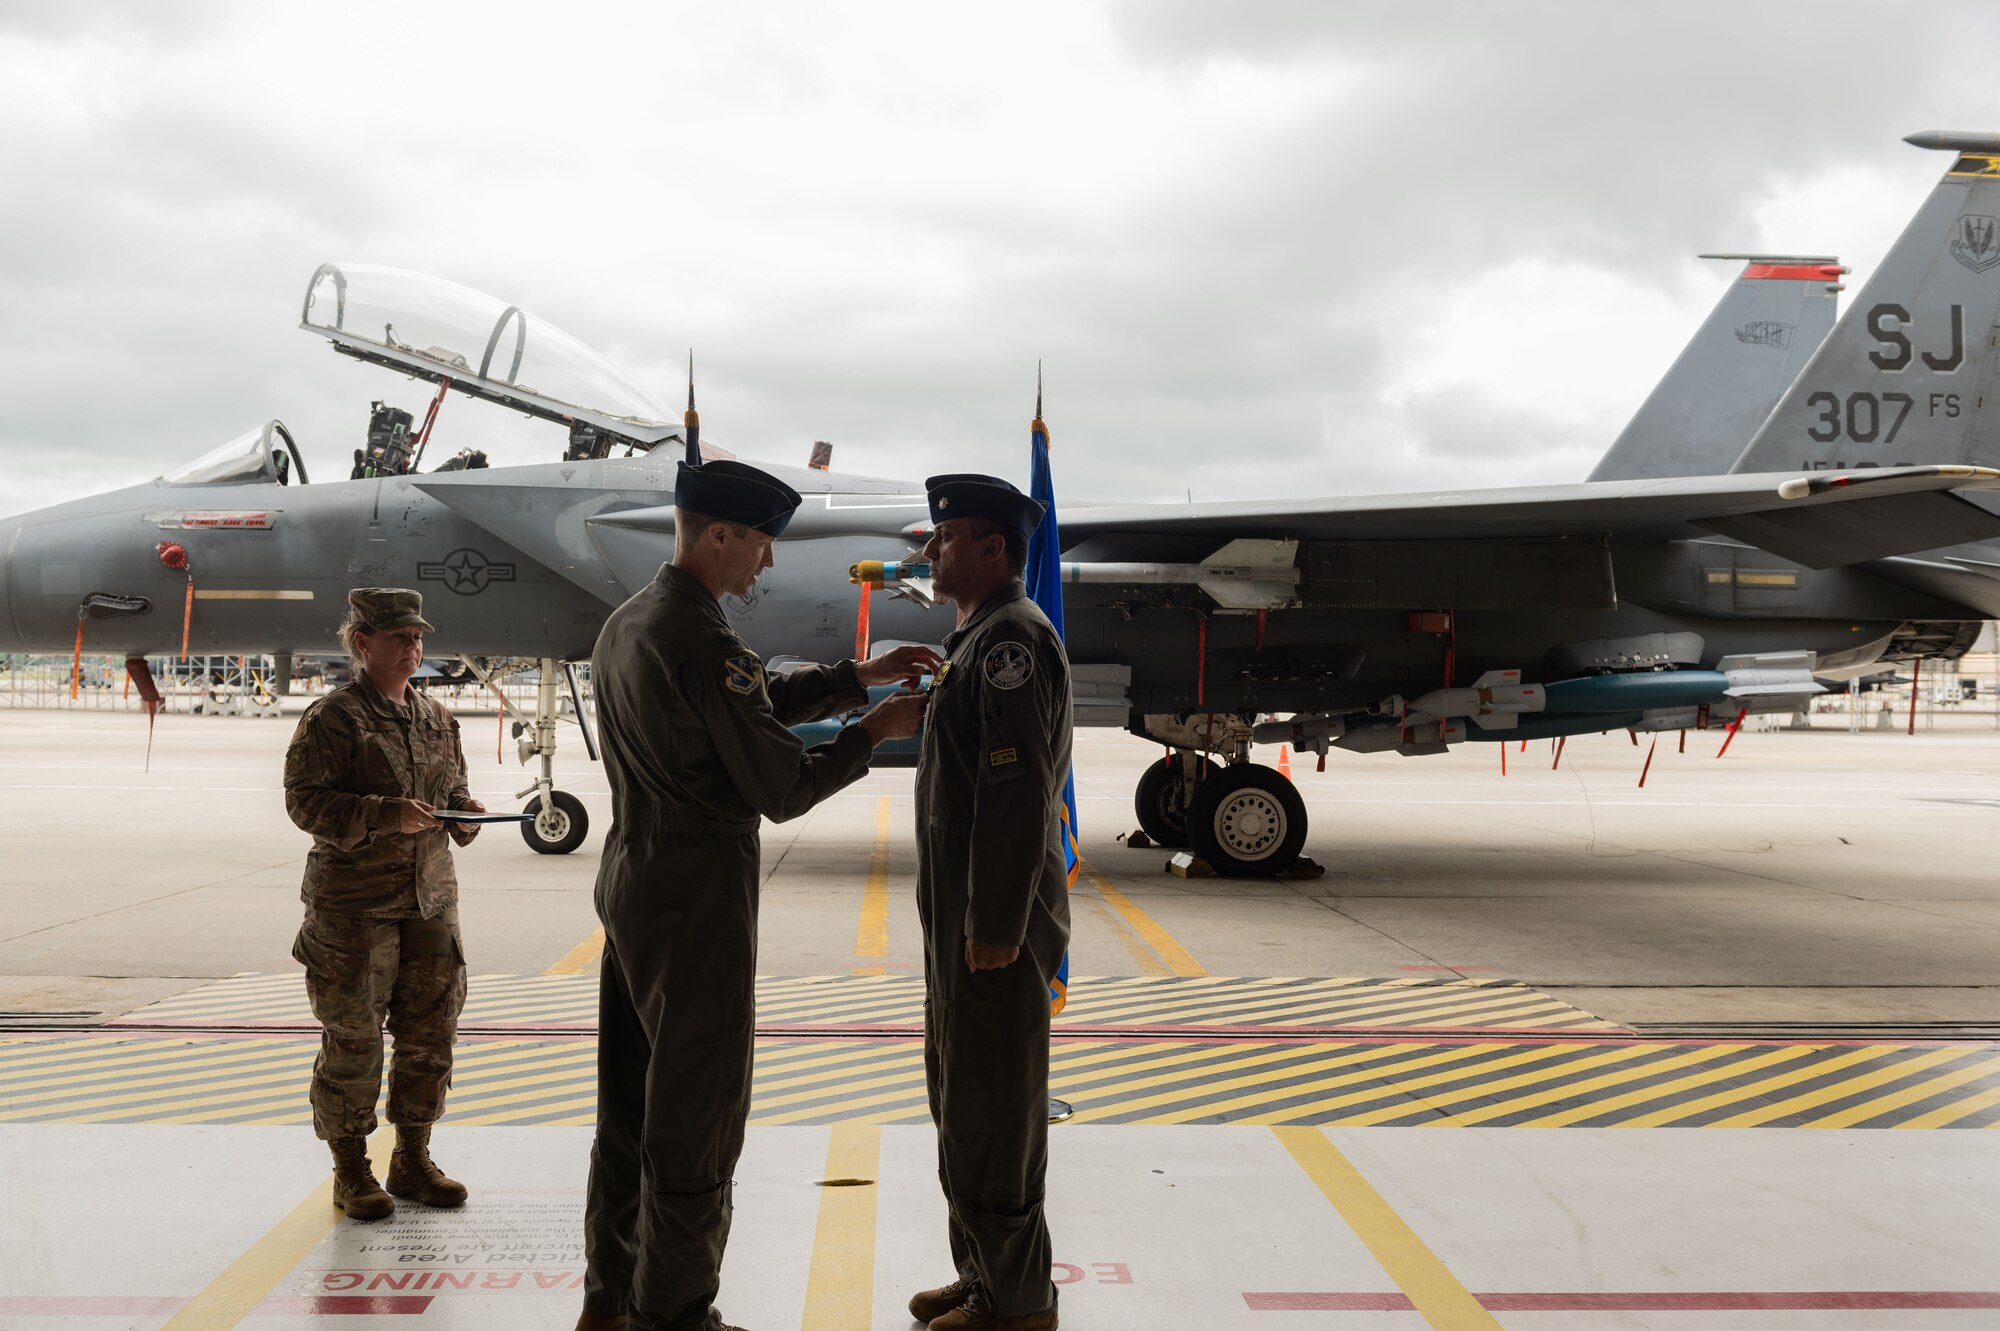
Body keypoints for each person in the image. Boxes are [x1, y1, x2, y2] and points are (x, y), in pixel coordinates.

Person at [578, 457, 935, 1331]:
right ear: (719, 534)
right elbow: (780, 784)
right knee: (696, 1112)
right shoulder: (704, 638)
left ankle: (610, 1301)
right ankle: (677, 1312)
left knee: (629, 1107)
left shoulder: (630, 624)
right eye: (761, 544)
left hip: (633, 877)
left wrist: (853, 675)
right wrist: (873, 731)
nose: (766, 564)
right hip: (698, 891)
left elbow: (741, 706)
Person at [905, 474, 1073, 1331]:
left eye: (944, 538)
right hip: (964, 921)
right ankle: (982, 1276)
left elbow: (1014, 799)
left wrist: (997, 928)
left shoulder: (1011, 644)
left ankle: (1017, 1303)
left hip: (993, 927)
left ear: (994, 549)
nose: (930, 552)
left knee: (996, 1110)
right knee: (962, 1099)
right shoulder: (975, 638)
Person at [282, 587, 486, 1220]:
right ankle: (350, 1169)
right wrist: (382, 815)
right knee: (355, 1039)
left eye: (417, 637)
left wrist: (465, 816)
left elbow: (452, 790)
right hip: (355, 908)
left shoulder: (436, 719)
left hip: (429, 902)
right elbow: (304, 803)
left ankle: (413, 1159)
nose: (412, 648)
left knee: (431, 1036)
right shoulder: (332, 719)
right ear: (362, 644)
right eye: (398, 638)